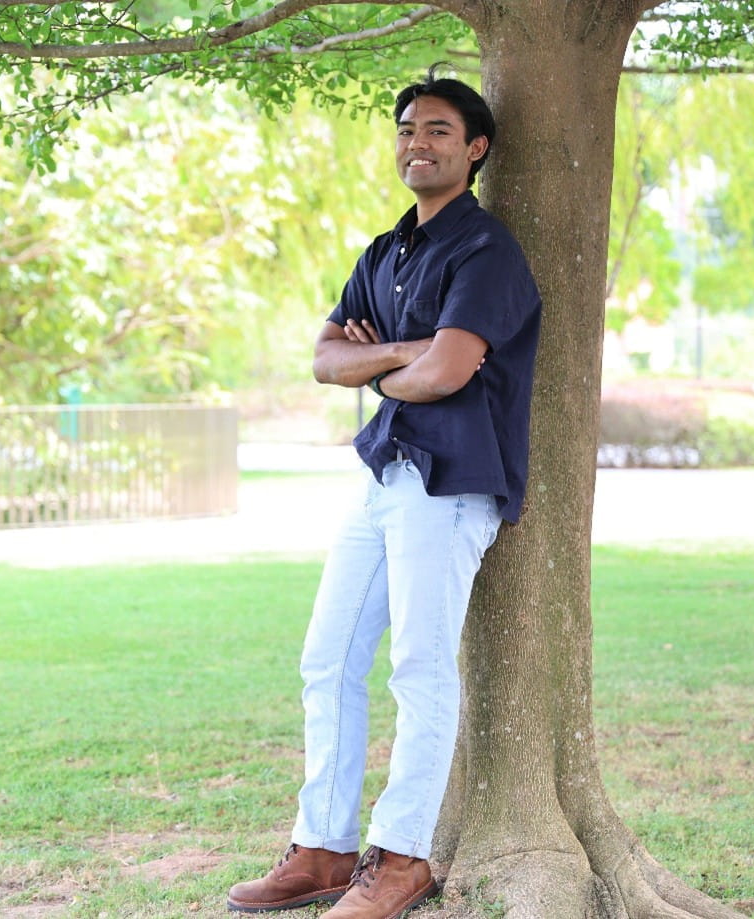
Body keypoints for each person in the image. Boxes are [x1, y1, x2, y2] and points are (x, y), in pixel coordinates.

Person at [226, 65, 542, 919]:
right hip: (381, 475)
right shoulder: (383, 251)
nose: (417, 142)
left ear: (474, 149)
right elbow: (326, 360)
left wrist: (394, 357)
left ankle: (400, 859)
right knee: (325, 657)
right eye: (407, 129)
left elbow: (445, 370)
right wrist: (404, 354)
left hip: (451, 485)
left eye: (437, 129)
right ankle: (323, 847)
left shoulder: (488, 250)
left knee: (419, 667)